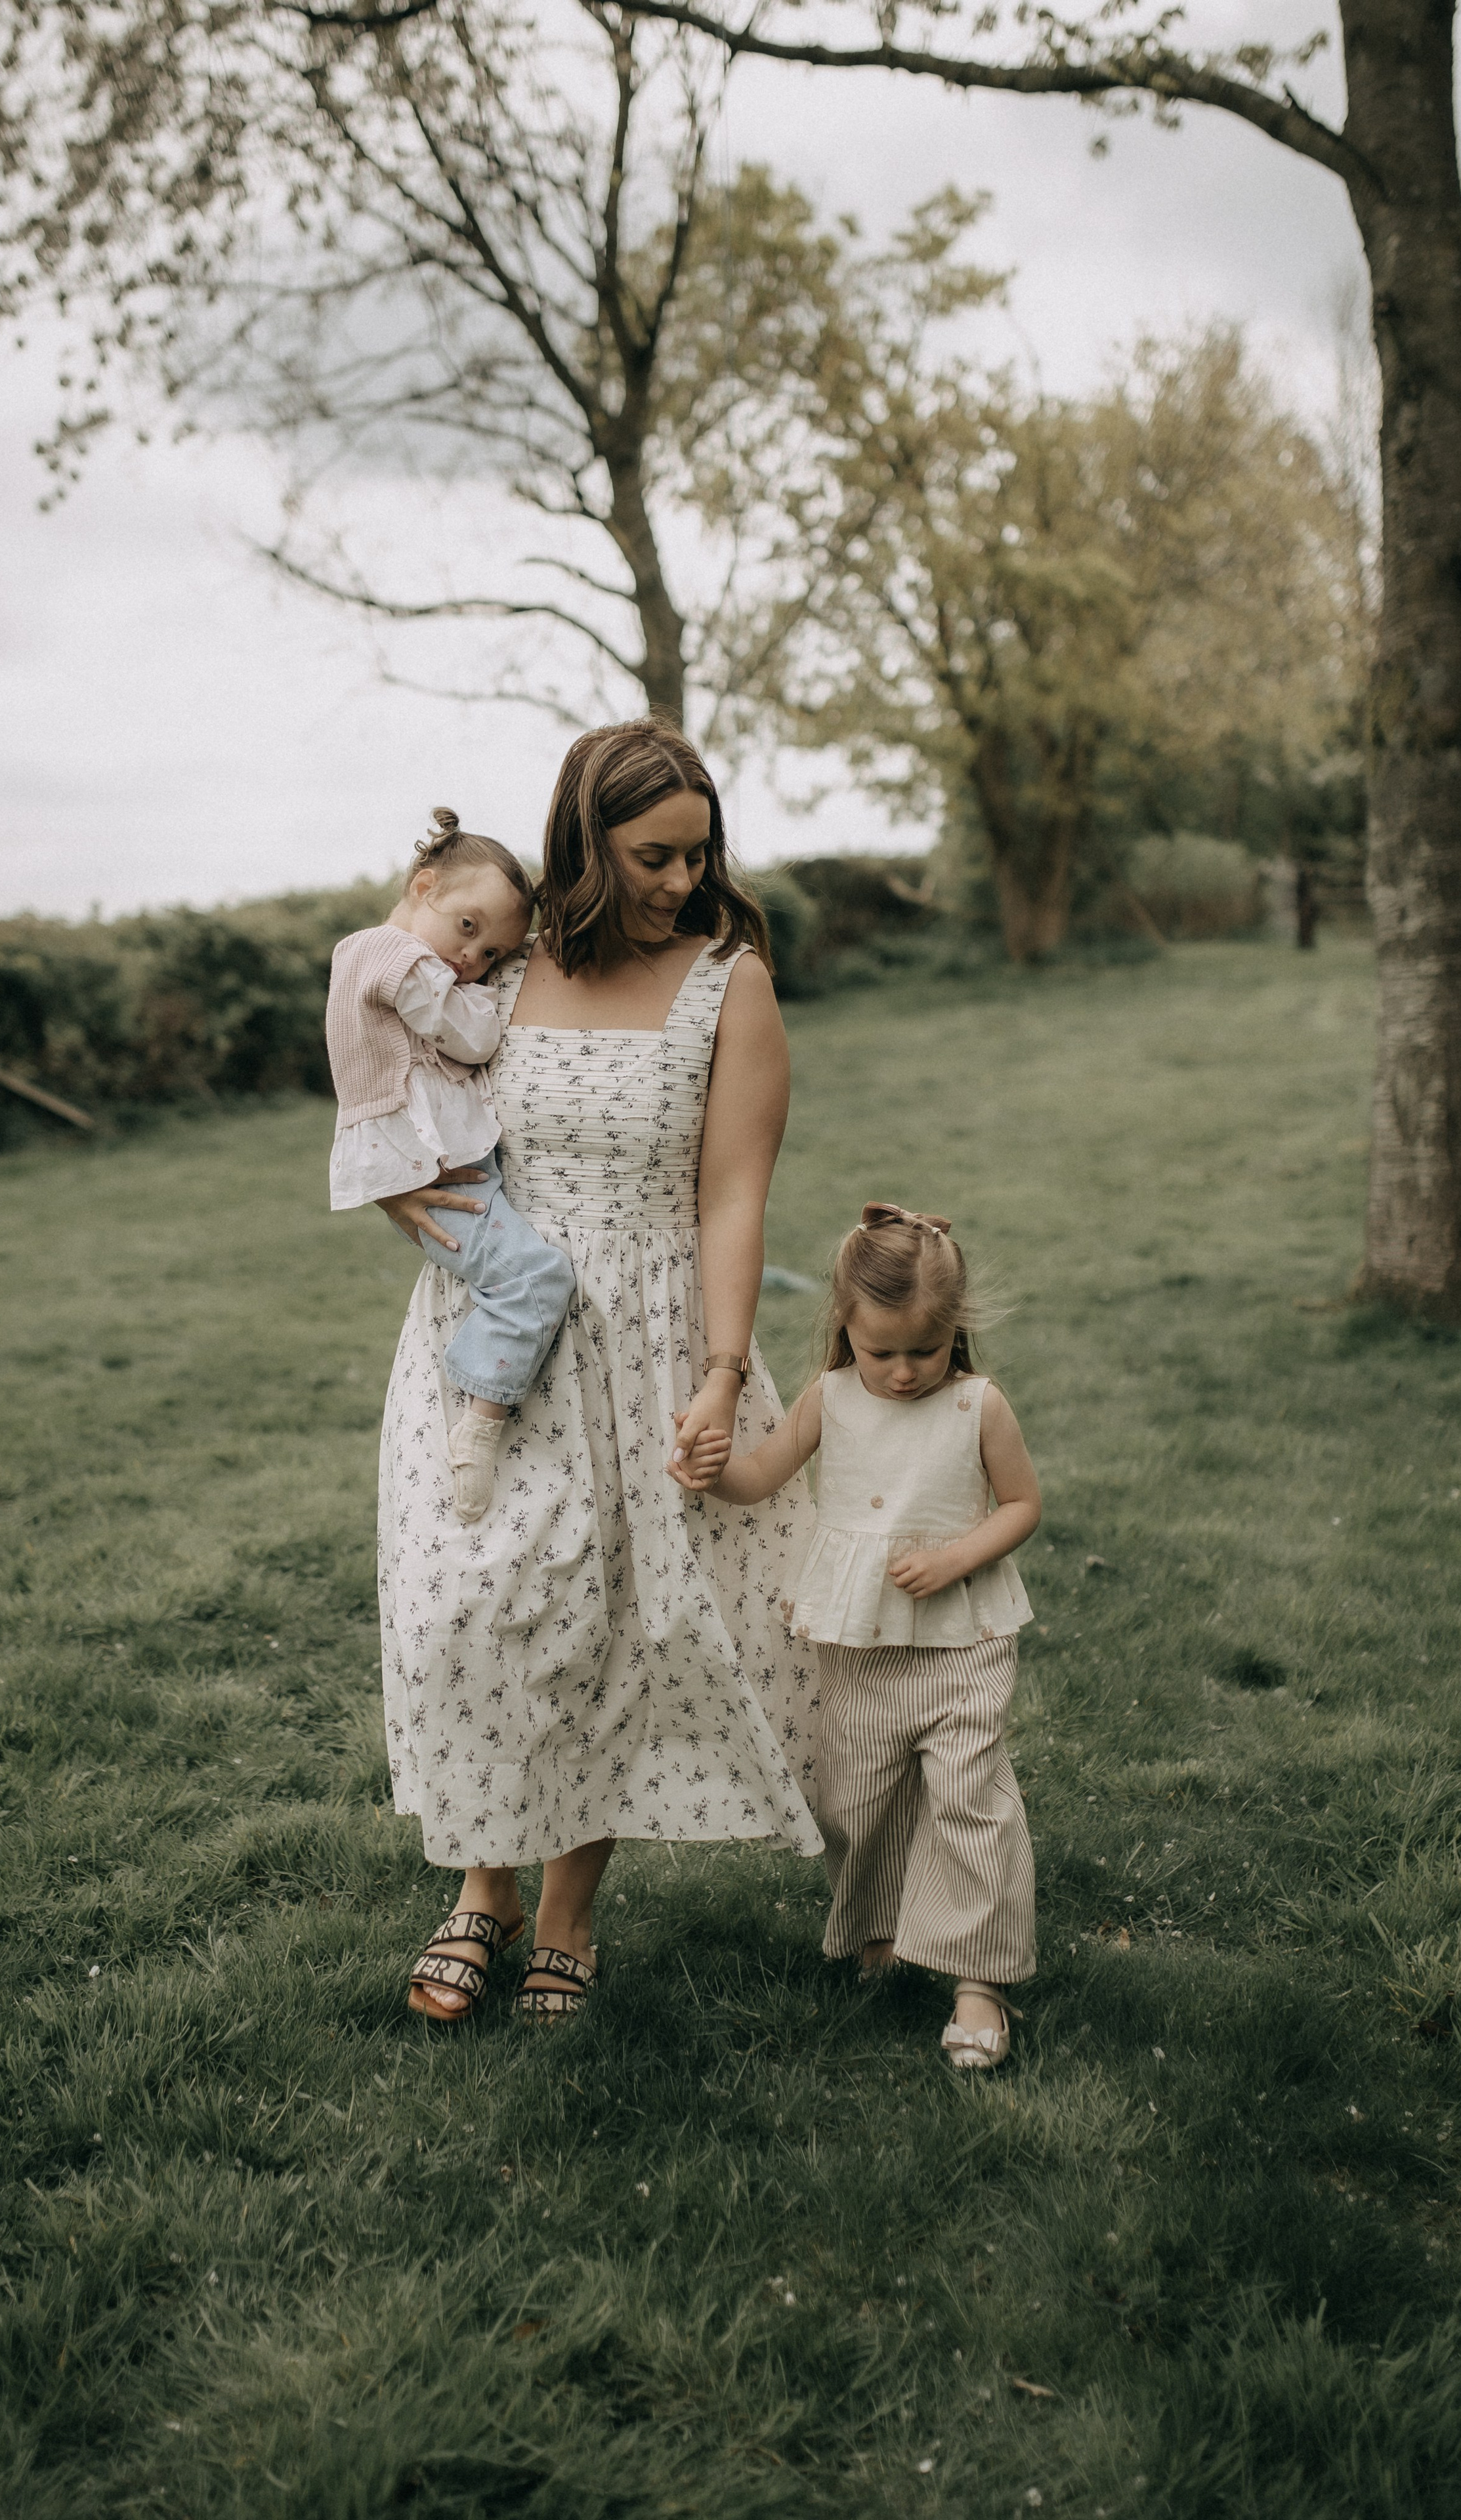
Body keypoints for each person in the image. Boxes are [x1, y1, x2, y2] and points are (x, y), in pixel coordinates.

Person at [377, 723, 820, 2026]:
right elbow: (385, 1057)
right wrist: (407, 1192)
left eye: (696, 855)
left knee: (608, 1626)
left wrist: (721, 1367)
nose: (679, 880)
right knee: (476, 1604)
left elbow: (733, 1195)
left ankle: (564, 1911)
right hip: (494, 1337)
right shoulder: (498, 971)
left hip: (649, 1336)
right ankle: (480, 1887)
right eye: (650, 856)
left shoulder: (725, 981)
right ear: (585, 841)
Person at [675, 1205, 1042, 2070]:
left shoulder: (977, 1405)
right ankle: (878, 1928)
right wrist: (710, 1468)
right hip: (859, 1647)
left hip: (963, 1640)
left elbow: (1024, 1505)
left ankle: (978, 1983)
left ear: (956, 1333)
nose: (907, 1372)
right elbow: (761, 1476)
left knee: (970, 1801)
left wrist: (957, 1556)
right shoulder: (830, 1399)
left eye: (928, 1349)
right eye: (884, 1353)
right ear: (845, 1325)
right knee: (858, 1796)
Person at [326, 809, 576, 1519]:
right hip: (430, 1171)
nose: (474, 961)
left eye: (495, 954)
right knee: (534, 1275)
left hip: (437, 1166)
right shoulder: (390, 955)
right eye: (469, 929)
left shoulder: (385, 957)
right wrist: (492, 998)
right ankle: (478, 1425)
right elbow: (472, 1037)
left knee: (514, 1269)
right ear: (424, 886)